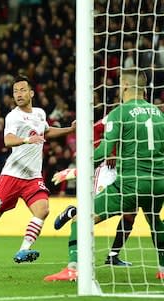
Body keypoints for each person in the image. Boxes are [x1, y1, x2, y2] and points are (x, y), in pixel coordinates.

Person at [44, 68, 164, 281]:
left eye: (120, 83)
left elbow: (103, 151)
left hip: (129, 185)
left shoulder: (120, 112)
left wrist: (76, 168)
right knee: (155, 222)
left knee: (81, 220)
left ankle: (73, 267)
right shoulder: (158, 114)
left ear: (125, 86)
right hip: (158, 184)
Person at [0, 75, 76, 262]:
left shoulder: (40, 113)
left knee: (42, 210)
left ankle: (23, 250)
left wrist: (69, 130)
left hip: (33, 177)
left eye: (22, 90)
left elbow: (46, 131)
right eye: (15, 91)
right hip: (12, 175)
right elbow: (7, 140)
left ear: (31, 93)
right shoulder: (13, 116)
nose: (18, 94)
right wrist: (27, 139)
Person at [51, 117, 136, 267]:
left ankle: (113, 256)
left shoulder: (145, 115)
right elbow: (95, 130)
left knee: (130, 213)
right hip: (107, 169)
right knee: (93, 214)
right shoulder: (118, 113)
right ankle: (73, 213)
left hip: (128, 169)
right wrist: (108, 153)